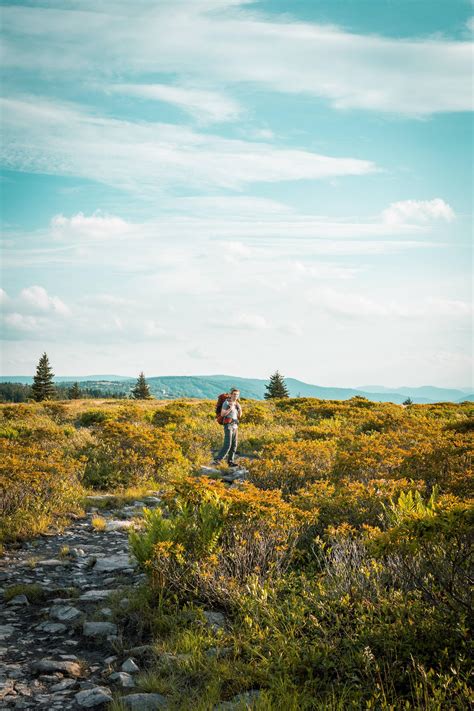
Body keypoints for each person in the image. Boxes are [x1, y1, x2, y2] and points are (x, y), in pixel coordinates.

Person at [213, 388, 242, 466]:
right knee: (227, 444)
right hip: (228, 425)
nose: (236, 396)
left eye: (237, 394)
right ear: (231, 394)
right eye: (234, 394)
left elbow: (239, 416)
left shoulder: (237, 404)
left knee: (234, 445)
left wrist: (239, 409)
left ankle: (230, 461)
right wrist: (230, 409)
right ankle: (217, 460)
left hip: (235, 425)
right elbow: (222, 414)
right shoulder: (226, 403)